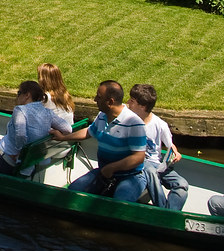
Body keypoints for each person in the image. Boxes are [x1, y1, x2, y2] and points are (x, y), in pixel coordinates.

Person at [52, 80, 147, 202]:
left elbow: (139, 157)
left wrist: (112, 168)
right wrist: (63, 137)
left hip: (130, 177)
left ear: (110, 102)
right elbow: (89, 132)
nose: (95, 100)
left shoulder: (134, 123)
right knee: (71, 193)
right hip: (104, 172)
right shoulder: (102, 116)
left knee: (119, 205)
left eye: (99, 97)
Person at [0, 80, 72, 175]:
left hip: (4, 158)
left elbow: (21, 135)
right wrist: (55, 132)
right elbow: (68, 129)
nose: (17, 97)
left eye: (19, 93)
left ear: (27, 95)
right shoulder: (48, 112)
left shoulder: (20, 110)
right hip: (12, 155)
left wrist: (20, 155)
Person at [127, 83, 189, 211]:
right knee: (151, 172)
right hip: (139, 162)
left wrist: (176, 154)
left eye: (132, 101)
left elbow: (171, 145)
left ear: (142, 106)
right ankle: (163, 212)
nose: (128, 103)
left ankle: (169, 213)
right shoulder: (127, 119)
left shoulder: (160, 125)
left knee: (182, 185)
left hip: (157, 164)